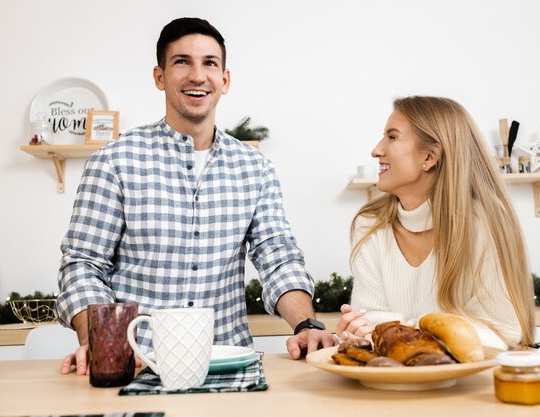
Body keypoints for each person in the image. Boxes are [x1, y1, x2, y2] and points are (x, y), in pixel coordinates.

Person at [56, 17, 334, 375]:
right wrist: (102, 341)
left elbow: (278, 259)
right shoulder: (115, 161)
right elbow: (83, 264)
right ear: (160, 77)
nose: (197, 76)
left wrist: (306, 324)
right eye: (182, 62)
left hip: (230, 365)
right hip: (139, 365)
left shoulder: (256, 169)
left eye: (209, 63)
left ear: (225, 79)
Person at [336, 96, 535, 349]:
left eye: (392, 137)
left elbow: (502, 331)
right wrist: (437, 329)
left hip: (472, 385)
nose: (376, 150)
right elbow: (365, 321)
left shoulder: (485, 223)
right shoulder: (369, 225)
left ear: (429, 157)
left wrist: (399, 329)